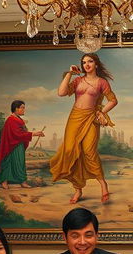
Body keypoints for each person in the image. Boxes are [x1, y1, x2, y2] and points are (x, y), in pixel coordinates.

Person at [50, 53, 118, 204]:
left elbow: (113, 100)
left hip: (91, 118)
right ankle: (78, 189)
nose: (86, 64)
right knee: (70, 151)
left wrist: (102, 112)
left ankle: (103, 184)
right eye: (84, 62)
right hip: (75, 118)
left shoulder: (102, 82)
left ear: (96, 64)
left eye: (90, 61)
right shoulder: (78, 80)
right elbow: (61, 92)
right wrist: (69, 74)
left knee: (89, 151)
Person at [0, 100, 45, 189]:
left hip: (19, 145)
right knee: (9, 163)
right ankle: (4, 181)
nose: (24, 110)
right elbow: (17, 134)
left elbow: (22, 132)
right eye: (22, 108)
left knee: (20, 163)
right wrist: (34, 134)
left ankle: (22, 181)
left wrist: (35, 133)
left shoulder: (18, 119)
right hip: (11, 146)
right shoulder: (11, 120)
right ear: (16, 108)